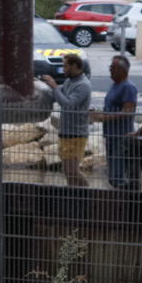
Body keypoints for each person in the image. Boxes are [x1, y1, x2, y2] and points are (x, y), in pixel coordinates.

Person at [37, 52, 93, 186]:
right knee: (67, 171)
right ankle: (74, 196)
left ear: (75, 66)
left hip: (76, 135)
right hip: (65, 133)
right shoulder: (70, 81)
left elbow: (68, 105)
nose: (63, 69)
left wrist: (55, 87)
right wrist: (40, 85)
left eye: (66, 66)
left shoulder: (83, 85)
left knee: (72, 171)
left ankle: (88, 194)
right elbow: (55, 94)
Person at [100, 54, 139, 190]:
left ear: (122, 70)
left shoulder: (128, 87)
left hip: (121, 136)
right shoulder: (113, 85)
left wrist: (104, 117)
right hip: (110, 135)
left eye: (113, 67)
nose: (110, 70)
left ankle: (122, 197)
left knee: (119, 171)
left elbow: (128, 111)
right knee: (112, 171)